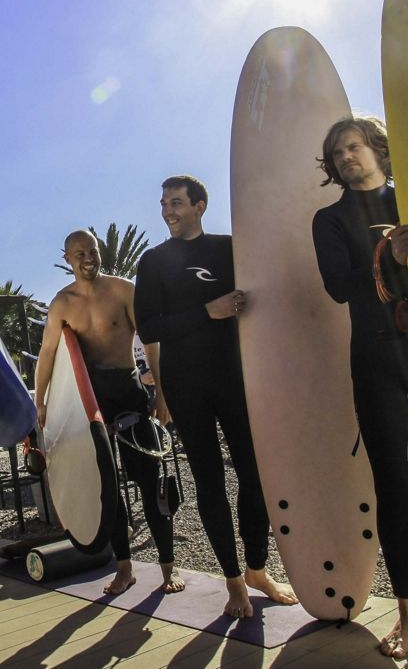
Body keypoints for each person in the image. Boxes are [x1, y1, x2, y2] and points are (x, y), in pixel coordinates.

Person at [311, 115, 408, 658]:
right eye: (337, 152)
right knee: (392, 487)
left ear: (378, 149)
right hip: (376, 358)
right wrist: (390, 258)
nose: (346, 156)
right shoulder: (329, 220)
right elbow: (338, 287)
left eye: (355, 146)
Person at [134, 175, 297, 617]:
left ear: (200, 206)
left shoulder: (229, 249)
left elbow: (267, 299)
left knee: (254, 475)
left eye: (177, 202)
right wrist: (209, 310)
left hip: (237, 379)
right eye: (164, 203)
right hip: (188, 386)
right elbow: (149, 327)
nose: (168, 210)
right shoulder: (153, 262)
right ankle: (234, 580)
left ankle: (258, 568)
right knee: (209, 482)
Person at [35, 230, 182, 596]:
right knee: (107, 488)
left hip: (129, 391)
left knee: (151, 482)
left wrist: (162, 392)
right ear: (67, 258)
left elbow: (150, 343)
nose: (88, 258)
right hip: (91, 402)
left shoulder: (122, 291)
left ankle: (167, 568)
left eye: (93, 251)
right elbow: (49, 355)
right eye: (79, 253)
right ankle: (124, 569)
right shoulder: (62, 304)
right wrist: (41, 402)